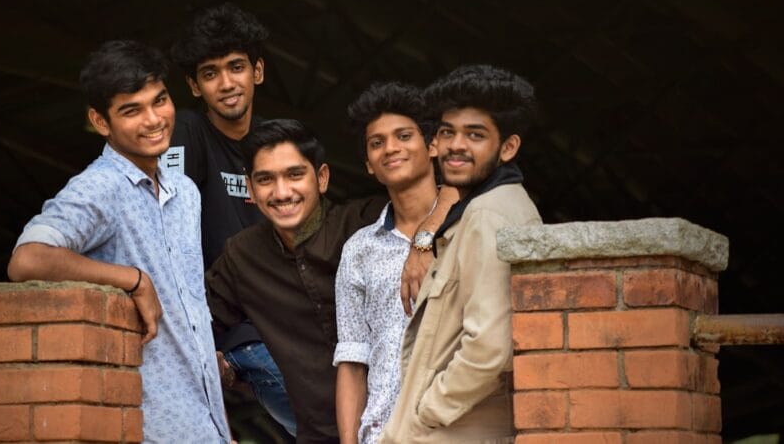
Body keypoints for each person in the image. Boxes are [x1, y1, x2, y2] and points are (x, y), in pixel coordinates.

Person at [7, 40, 230, 443]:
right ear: (100, 121)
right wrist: (132, 279)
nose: (154, 120)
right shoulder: (99, 187)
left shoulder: (184, 191)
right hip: (148, 427)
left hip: (205, 422)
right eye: (132, 110)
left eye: (159, 101)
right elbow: (27, 260)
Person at [380, 64, 543, 443]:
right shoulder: (485, 209)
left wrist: (428, 412)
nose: (456, 145)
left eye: (475, 135)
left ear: (508, 147)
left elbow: (489, 346)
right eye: (447, 132)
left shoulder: (488, 215)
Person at [206, 119, 387, 443]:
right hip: (316, 436)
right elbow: (193, 324)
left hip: (396, 428)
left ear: (322, 178)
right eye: (265, 179)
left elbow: (432, 197)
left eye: (294, 175)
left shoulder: (365, 223)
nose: (282, 192)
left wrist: (424, 238)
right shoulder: (242, 255)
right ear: (250, 188)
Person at [164, 2, 296, 435]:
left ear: (257, 71)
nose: (226, 83)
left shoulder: (275, 147)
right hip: (237, 333)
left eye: (236, 67)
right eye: (210, 73)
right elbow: (168, 237)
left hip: (287, 328)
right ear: (195, 86)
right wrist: (199, 342)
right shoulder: (188, 131)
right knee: (335, 425)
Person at [334, 83, 458, 444]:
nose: (391, 148)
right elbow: (353, 358)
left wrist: (426, 238)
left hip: (456, 429)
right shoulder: (359, 249)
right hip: (383, 432)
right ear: (369, 165)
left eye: (404, 136)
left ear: (432, 145)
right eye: (377, 143)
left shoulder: (468, 226)